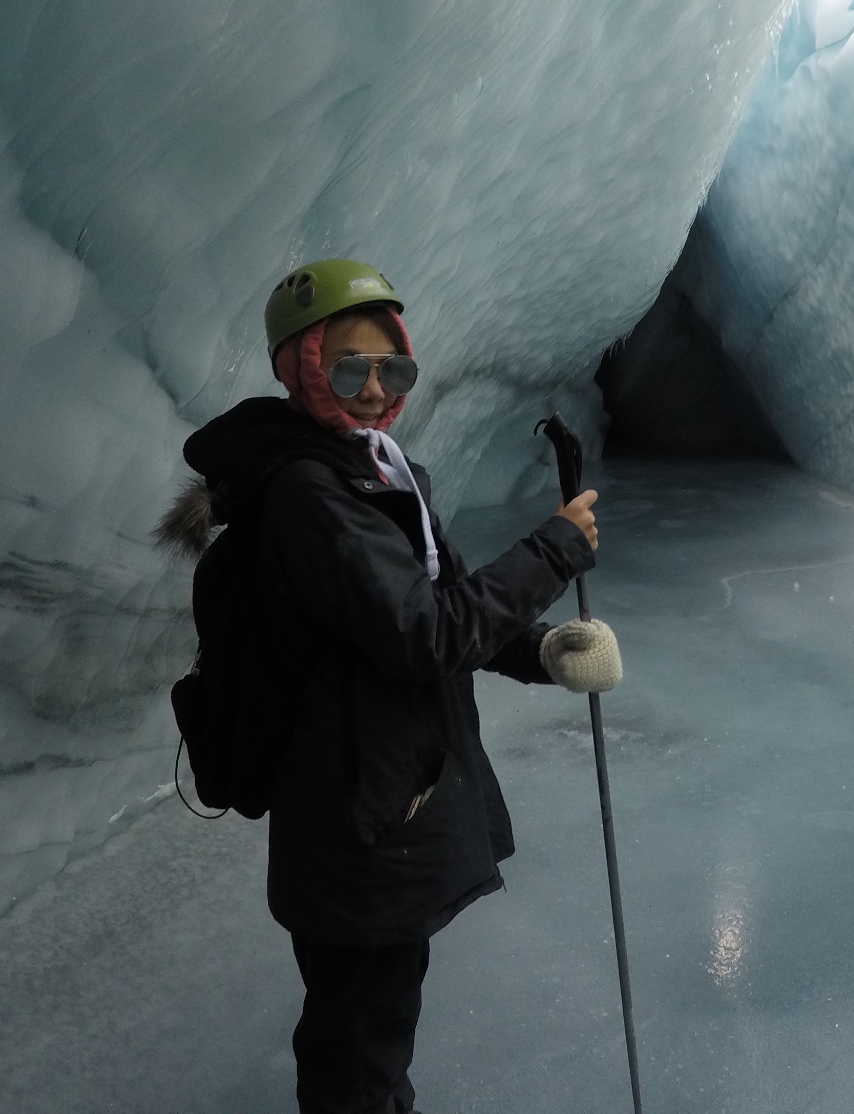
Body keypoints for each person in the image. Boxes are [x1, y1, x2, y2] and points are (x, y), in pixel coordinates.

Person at [162, 258, 623, 1114]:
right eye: (348, 368)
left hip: (375, 793)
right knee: (359, 1044)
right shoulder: (312, 494)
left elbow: (430, 609)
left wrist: (541, 648)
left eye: (393, 368)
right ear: (299, 366)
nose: (374, 389)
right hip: (357, 815)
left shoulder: (367, 467)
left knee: (370, 1022)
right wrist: (553, 549)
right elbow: (424, 636)